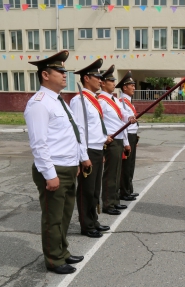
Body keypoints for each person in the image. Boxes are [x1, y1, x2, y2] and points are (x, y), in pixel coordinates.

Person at [24, 50, 91, 274]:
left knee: (64, 215)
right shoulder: (39, 103)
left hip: (68, 167)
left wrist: (80, 159)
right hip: (54, 170)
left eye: (65, 70)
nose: (65, 74)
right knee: (53, 218)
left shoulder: (59, 101)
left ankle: (62, 251)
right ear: (45, 74)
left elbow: (73, 133)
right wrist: (49, 174)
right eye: (60, 71)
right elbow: (39, 143)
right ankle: (53, 259)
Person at [70, 59, 112, 238]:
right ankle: (86, 225)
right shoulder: (79, 100)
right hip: (87, 151)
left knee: (95, 190)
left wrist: (102, 143)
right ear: (86, 78)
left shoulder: (92, 99)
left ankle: (93, 220)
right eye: (97, 77)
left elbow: (93, 128)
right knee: (86, 190)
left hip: (96, 149)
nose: (101, 81)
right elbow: (79, 131)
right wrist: (83, 156)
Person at [98, 65, 136, 215]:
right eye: (110, 81)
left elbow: (123, 115)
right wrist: (102, 139)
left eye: (114, 81)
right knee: (110, 174)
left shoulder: (114, 99)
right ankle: (108, 203)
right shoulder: (101, 100)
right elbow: (98, 122)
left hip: (119, 139)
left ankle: (114, 200)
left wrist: (130, 118)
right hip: (111, 140)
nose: (114, 84)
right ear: (103, 83)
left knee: (117, 172)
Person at [117, 71, 140, 201]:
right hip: (127, 135)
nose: (134, 88)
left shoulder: (128, 101)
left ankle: (128, 189)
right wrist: (127, 141)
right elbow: (122, 123)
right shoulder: (122, 102)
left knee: (130, 165)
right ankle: (124, 191)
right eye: (132, 85)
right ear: (125, 87)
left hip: (132, 135)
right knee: (126, 166)